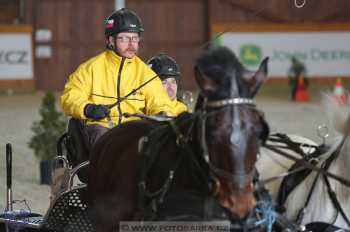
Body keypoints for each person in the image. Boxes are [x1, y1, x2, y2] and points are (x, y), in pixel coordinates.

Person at [60, 8, 186, 148]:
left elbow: (160, 102)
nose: (131, 44)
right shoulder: (90, 69)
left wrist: (163, 113)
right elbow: (69, 97)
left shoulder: (146, 74)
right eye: (124, 38)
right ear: (110, 40)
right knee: (105, 140)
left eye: (135, 38)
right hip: (101, 129)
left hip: (135, 131)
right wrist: (87, 108)